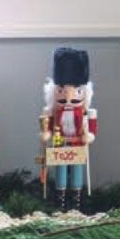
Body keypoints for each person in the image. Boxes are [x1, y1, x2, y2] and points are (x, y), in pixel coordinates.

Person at [40, 47, 95, 210]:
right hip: (59, 145)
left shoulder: (87, 113)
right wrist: (46, 133)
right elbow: (47, 128)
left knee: (78, 170)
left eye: (77, 91)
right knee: (61, 171)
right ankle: (60, 202)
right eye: (62, 91)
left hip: (77, 146)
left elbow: (91, 132)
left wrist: (87, 136)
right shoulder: (53, 113)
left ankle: (76, 202)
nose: (69, 98)